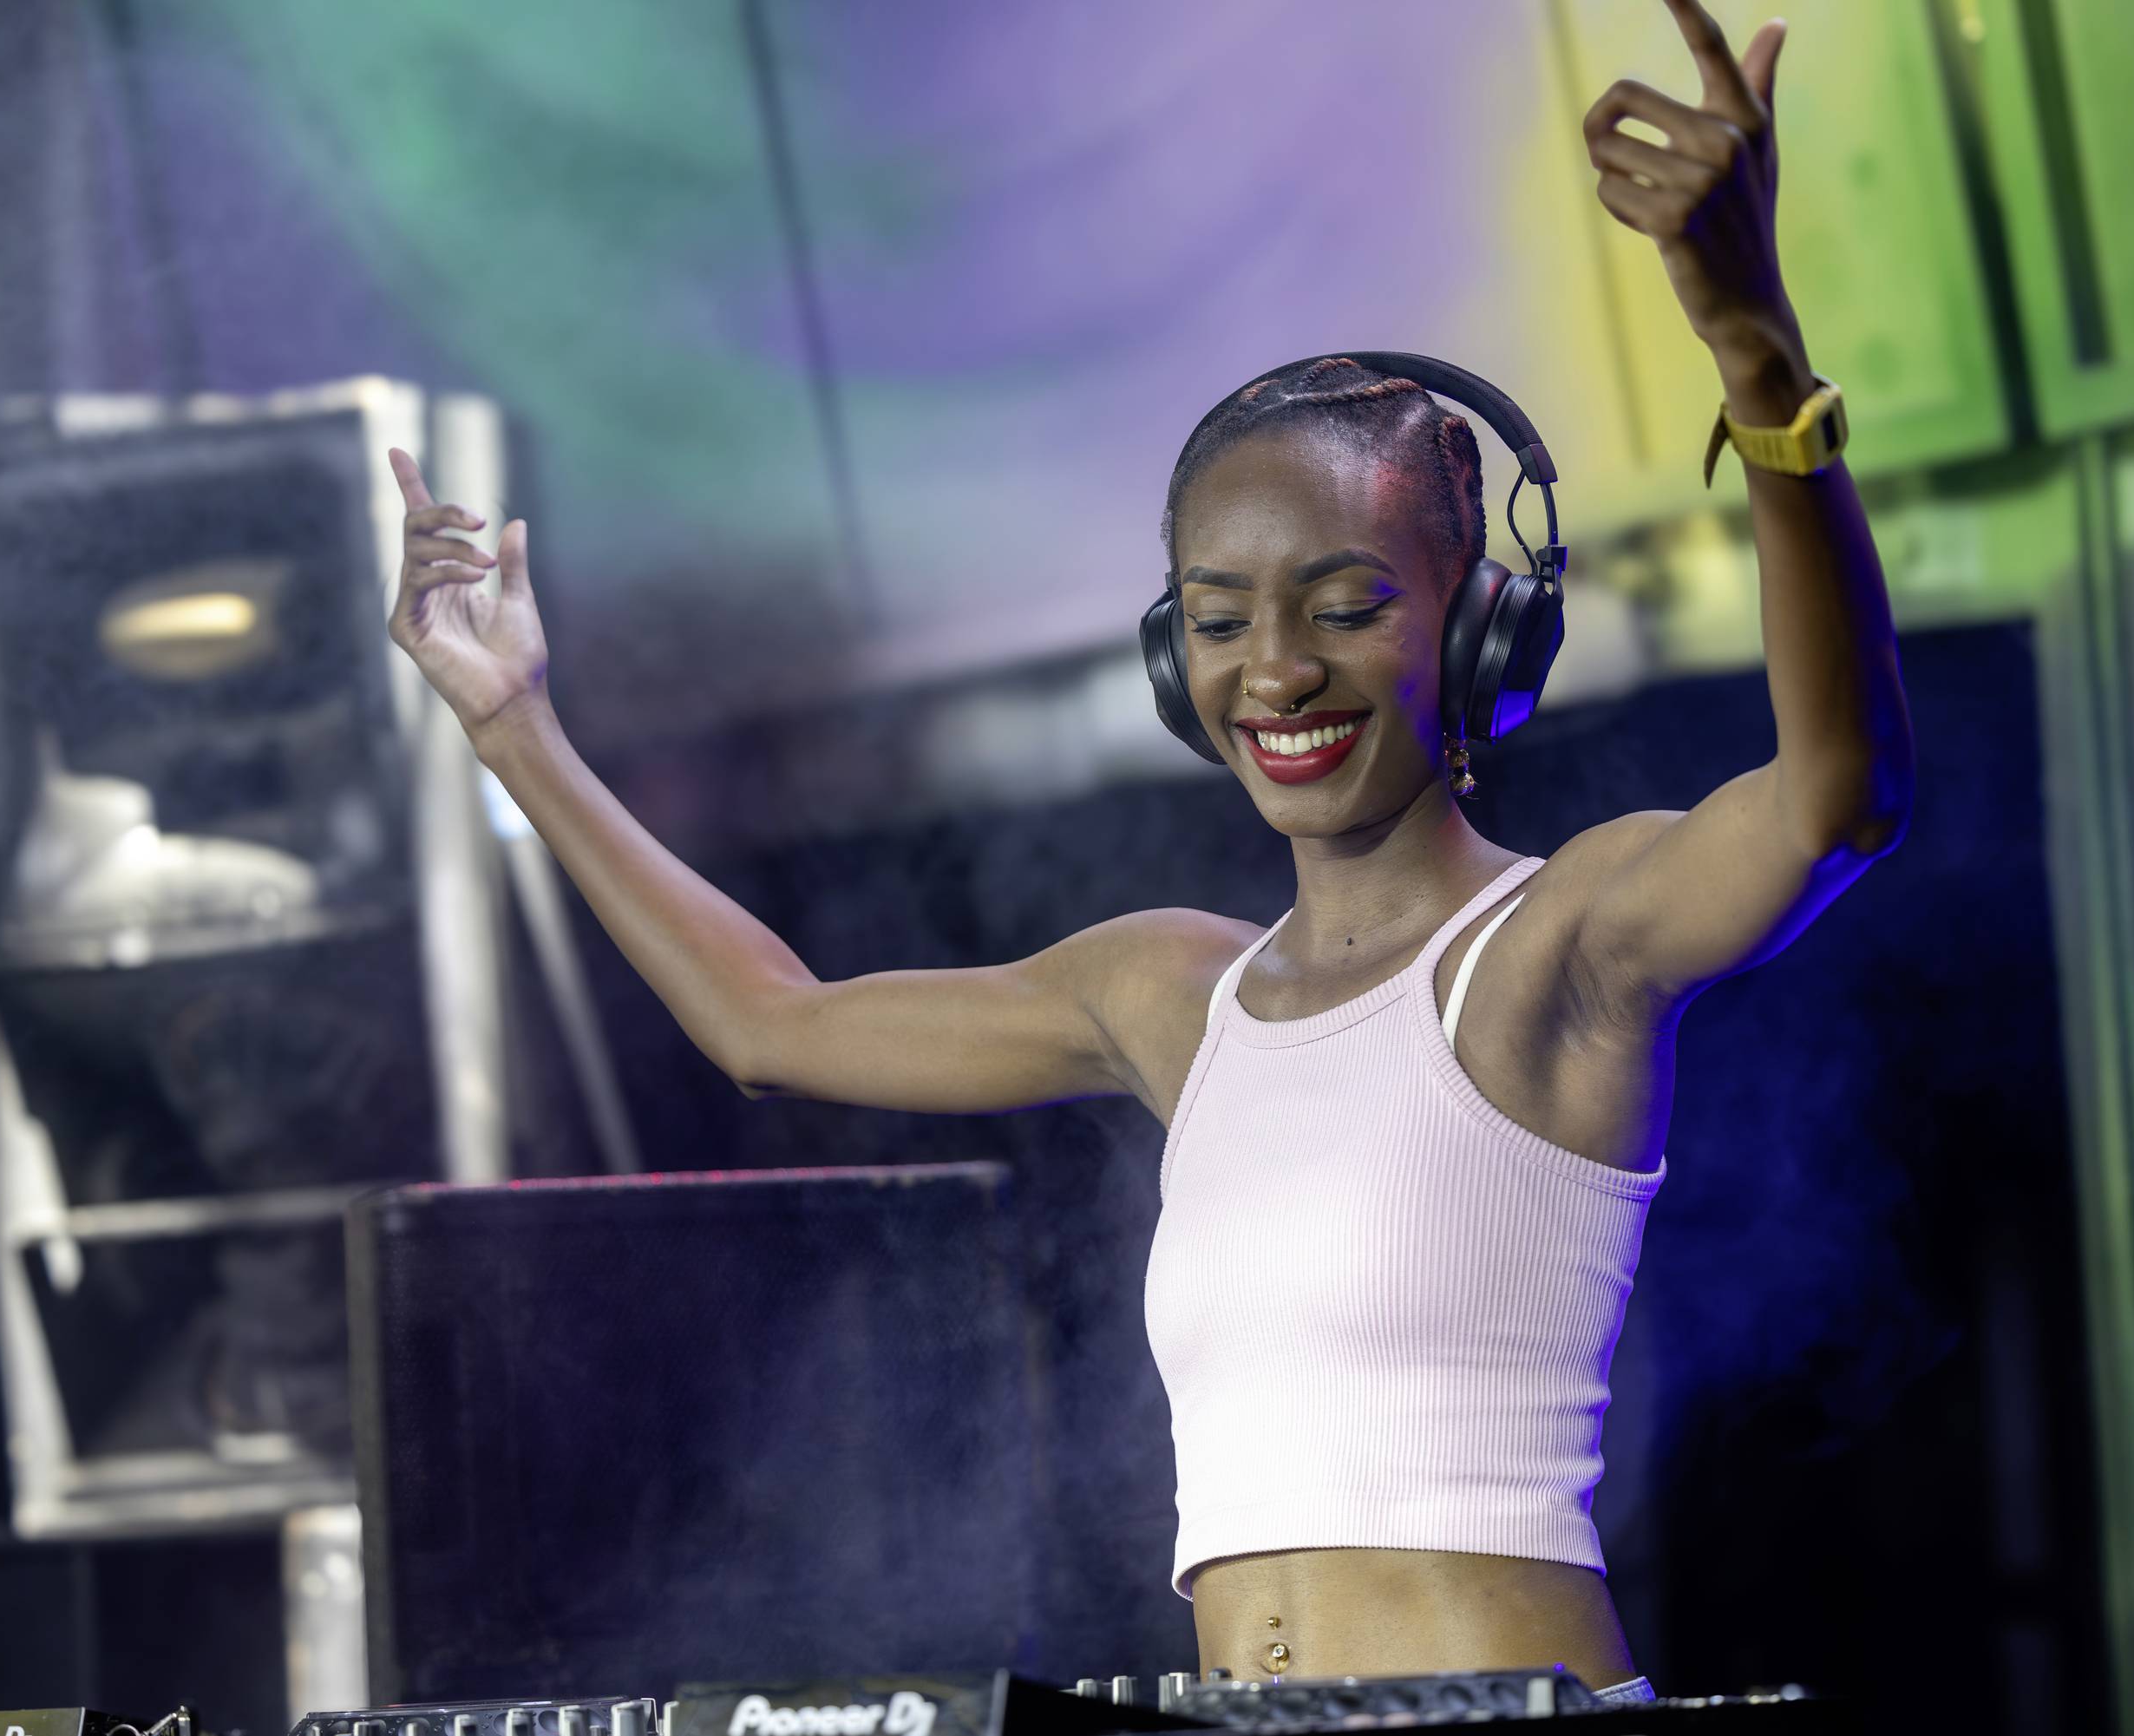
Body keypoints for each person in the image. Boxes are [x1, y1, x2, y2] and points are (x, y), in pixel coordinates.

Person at [383, 1, 1910, 1702]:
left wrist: (1759, 356)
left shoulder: (1558, 942)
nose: (1274, 669)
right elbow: (774, 1023)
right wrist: (514, 721)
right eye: (1218, 618)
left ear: (1482, 628)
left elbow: (1836, 791)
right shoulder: (1171, 992)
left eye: (1343, 606)